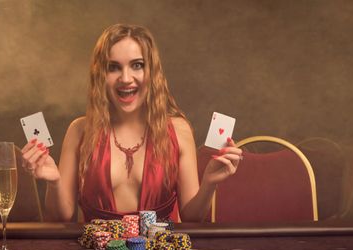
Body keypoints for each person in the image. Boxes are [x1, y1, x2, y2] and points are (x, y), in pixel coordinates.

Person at [22, 23, 242, 222]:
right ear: (100, 75)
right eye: (113, 67)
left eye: (137, 65)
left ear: (152, 72)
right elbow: (60, 216)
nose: (126, 78)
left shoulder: (178, 130)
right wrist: (53, 182)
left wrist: (209, 184)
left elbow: (192, 217)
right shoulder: (79, 130)